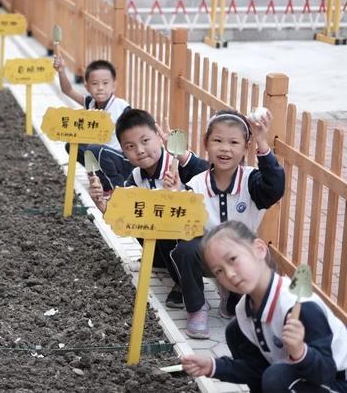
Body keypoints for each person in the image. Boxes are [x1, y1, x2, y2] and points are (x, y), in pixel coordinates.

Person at [181, 221, 347, 393]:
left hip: (336, 382)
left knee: (277, 377)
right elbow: (256, 369)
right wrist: (213, 366)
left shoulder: (300, 307)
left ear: (259, 249)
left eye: (232, 259)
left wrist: (301, 352)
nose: (229, 274)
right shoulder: (243, 311)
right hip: (302, 380)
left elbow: (326, 372)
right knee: (234, 332)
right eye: (218, 271)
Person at [164, 109, 285, 339]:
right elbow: (183, 219)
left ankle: (237, 300)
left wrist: (262, 142)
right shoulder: (197, 183)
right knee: (186, 248)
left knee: (265, 258)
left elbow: (275, 187)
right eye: (218, 140)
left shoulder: (252, 181)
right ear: (206, 143)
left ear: (245, 148)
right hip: (208, 258)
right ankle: (197, 308)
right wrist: (176, 192)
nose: (225, 148)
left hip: (242, 256)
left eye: (234, 142)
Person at [89, 108, 209, 309]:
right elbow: (123, 215)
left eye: (145, 141)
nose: (140, 150)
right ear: (123, 152)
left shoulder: (179, 164)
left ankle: (187, 287)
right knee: (141, 213)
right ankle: (161, 262)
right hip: (169, 239)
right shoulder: (136, 177)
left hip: (199, 242)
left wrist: (183, 159)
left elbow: (209, 174)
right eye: (130, 146)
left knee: (165, 225)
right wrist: (101, 203)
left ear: (159, 138)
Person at [52, 57, 134, 191]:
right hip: (100, 153)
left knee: (94, 149)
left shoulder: (122, 108)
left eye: (105, 83)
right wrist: (61, 71)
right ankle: (99, 177)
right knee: (72, 145)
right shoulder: (90, 103)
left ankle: (117, 186)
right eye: (95, 83)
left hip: (122, 160)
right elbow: (68, 91)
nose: (100, 88)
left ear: (114, 85)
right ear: (87, 87)